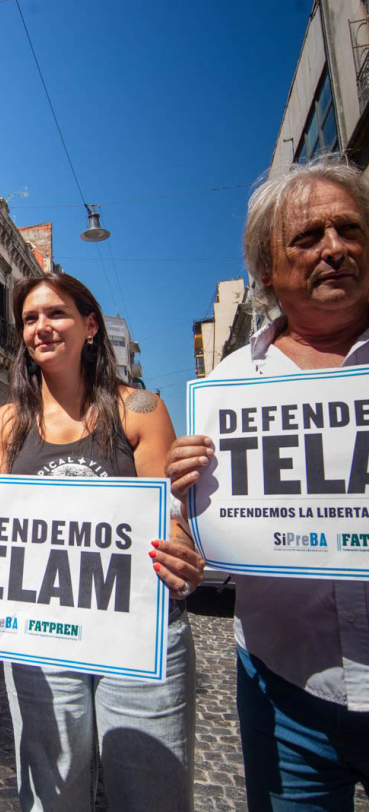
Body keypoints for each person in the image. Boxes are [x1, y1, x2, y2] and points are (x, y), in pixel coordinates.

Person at [167, 157, 369, 810]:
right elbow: (206, 544)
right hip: (286, 696)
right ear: (265, 270)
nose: (334, 249)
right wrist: (184, 521)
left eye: (349, 229)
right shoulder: (226, 388)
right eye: (308, 238)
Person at [0, 273, 204, 812]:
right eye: (30, 319)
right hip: (43, 641)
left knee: (150, 795)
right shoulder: (5, 425)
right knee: (51, 798)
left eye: (55, 314)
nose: (41, 327)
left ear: (89, 325)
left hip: (137, 639)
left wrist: (183, 554)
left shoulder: (141, 410)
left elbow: (173, 523)